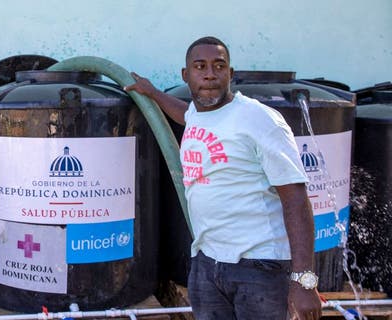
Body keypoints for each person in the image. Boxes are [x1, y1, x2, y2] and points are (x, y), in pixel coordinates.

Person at [124, 36, 322, 320]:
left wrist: (304, 281)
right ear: (186, 75)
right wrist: (153, 92)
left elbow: (296, 199)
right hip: (206, 263)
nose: (209, 74)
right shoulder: (198, 113)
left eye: (219, 66)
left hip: (259, 267)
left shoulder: (260, 120)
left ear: (230, 73)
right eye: (200, 66)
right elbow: (186, 114)